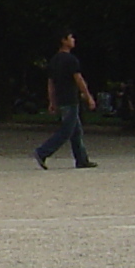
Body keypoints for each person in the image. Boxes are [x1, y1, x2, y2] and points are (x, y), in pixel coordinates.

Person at [34, 29, 98, 170]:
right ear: (64, 40)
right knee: (66, 131)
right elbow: (79, 80)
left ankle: (81, 159)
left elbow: (51, 83)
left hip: (61, 98)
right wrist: (88, 96)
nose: (73, 39)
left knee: (76, 131)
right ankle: (42, 151)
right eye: (71, 37)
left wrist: (52, 101)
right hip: (70, 98)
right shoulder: (71, 60)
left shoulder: (54, 60)